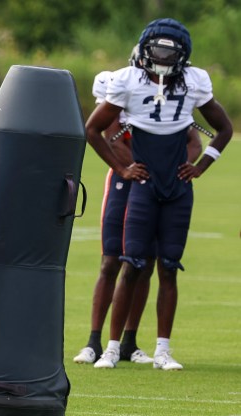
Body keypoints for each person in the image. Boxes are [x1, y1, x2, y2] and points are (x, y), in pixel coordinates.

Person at [85, 18, 232, 370]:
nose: (164, 58)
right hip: (144, 187)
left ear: (183, 55)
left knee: (168, 267)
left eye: (171, 51)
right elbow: (92, 129)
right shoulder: (126, 80)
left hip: (178, 188)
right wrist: (122, 169)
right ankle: (110, 347)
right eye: (158, 50)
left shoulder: (194, 82)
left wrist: (200, 166)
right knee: (130, 264)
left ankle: (162, 349)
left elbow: (222, 129)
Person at [74, 48, 203, 365]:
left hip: (158, 189)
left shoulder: (162, 100)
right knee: (111, 261)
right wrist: (134, 168)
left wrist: (171, 168)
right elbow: (108, 135)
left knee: (145, 263)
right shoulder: (119, 93)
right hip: (124, 184)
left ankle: (129, 342)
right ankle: (95, 341)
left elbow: (192, 138)